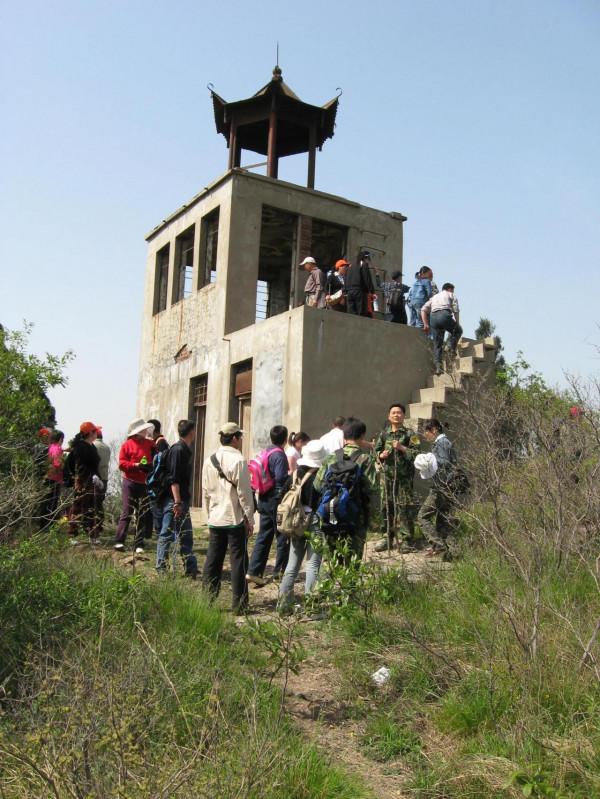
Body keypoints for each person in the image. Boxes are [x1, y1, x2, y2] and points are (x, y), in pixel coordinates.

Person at [202, 422, 255, 612]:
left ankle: (207, 601)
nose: (241, 440)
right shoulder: (238, 460)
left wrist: (208, 516)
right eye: (240, 437)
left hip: (216, 517)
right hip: (234, 518)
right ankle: (239, 604)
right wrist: (249, 518)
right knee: (238, 561)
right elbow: (244, 493)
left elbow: (205, 492)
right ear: (234, 438)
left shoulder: (209, 460)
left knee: (213, 560)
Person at [278, 440, 328, 613]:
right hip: (314, 520)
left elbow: (282, 495)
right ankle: (312, 607)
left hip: (295, 522)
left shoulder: (294, 474)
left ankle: (284, 604)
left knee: (292, 563)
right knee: (313, 564)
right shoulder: (320, 476)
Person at [314, 418, 375, 560]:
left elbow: (317, 486)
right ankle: (349, 583)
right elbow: (373, 489)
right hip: (356, 518)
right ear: (362, 436)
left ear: (344, 436)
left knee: (330, 560)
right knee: (353, 562)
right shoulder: (365, 459)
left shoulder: (331, 457)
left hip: (330, 514)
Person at [246, 425, 290, 586]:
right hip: (275, 501)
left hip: (263, 498)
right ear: (285, 439)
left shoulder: (265, 452)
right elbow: (280, 478)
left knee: (263, 537)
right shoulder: (279, 455)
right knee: (282, 536)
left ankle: (254, 571)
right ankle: (280, 573)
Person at [374, 404, 421, 552]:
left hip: (404, 479)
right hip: (386, 478)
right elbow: (374, 454)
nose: (396, 415)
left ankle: (407, 539)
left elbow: (418, 455)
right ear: (389, 416)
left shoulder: (410, 434)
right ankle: (387, 537)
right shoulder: (382, 435)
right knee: (386, 507)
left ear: (404, 416)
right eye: (393, 413)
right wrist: (381, 456)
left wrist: (402, 448)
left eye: (399, 413)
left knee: (405, 507)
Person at [156, 419, 199, 577]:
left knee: (186, 534)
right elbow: (173, 479)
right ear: (191, 432)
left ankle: (190, 567)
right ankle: (161, 568)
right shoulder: (178, 450)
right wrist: (177, 502)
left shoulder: (184, 449)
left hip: (181, 500)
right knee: (167, 533)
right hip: (173, 500)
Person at [417, 419, 458, 558]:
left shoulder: (442, 443)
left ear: (434, 430)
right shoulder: (442, 442)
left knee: (422, 516)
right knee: (443, 522)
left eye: (426, 432)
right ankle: (450, 554)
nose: (425, 435)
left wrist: (430, 458)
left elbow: (446, 462)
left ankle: (438, 546)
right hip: (447, 486)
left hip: (442, 487)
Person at [114, 418, 155, 553]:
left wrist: (149, 467)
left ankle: (139, 543)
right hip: (130, 482)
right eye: (142, 429)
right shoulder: (127, 445)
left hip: (143, 483)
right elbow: (122, 464)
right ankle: (119, 541)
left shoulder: (150, 444)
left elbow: (157, 455)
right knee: (127, 512)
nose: (145, 431)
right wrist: (136, 466)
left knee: (142, 513)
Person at [67, 422, 102, 543]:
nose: (96, 433)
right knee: (78, 507)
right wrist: (76, 477)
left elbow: (94, 465)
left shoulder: (92, 446)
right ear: (90, 433)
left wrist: (98, 478)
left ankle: (92, 535)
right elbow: (73, 464)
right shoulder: (79, 447)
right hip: (82, 480)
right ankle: (72, 535)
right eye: (94, 431)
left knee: (92, 507)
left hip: (93, 480)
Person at [421, 282, 463, 376]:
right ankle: (451, 349)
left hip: (433, 318)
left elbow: (423, 309)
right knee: (458, 331)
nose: (453, 291)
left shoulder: (434, 297)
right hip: (444, 315)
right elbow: (456, 310)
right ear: (449, 289)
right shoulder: (451, 294)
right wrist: (456, 324)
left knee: (438, 344)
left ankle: (438, 368)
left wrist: (426, 324)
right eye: (453, 289)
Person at [39, 429, 65, 529]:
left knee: (46, 503)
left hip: (49, 478)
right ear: (60, 439)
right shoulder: (57, 449)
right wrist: (64, 466)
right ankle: (48, 527)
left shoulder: (51, 447)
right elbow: (57, 464)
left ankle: (44, 526)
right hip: (54, 479)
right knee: (52, 504)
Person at [147, 418, 169, 536]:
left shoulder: (161, 443)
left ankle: (160, 535)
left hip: (157, 483)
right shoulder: (156, 442)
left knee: (158, 511)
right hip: (156, 482)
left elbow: (159, 465)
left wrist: (151, 480)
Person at [345, 251, 375, 317]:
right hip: (359, 292)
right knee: (360, 313)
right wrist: (372, 291)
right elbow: (367, 279)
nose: (368, 261)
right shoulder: (363, 264)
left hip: (350, 292)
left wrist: (346, 290)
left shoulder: (350, 266)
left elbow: (346, 278)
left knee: (351, 314)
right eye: (368, 259)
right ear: (365, 258)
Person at [93, 429, 111, 538]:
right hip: (104, 478)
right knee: (99, 503)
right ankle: (99, 526)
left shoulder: (93, 446)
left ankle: (93, 528)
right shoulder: (107, 447)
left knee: (93, 504)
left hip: (95, 478)